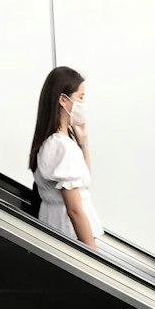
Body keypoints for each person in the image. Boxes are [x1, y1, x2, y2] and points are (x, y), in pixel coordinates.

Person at [29, 66, 103, 249]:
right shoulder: (61, 147)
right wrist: (94, 257)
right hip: (71, 239)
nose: (84, 104)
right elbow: (75, 210)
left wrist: (83, 142)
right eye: (81, 97)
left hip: (62, 237)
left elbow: (83, 182)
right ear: (63, 100)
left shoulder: (56, 143)